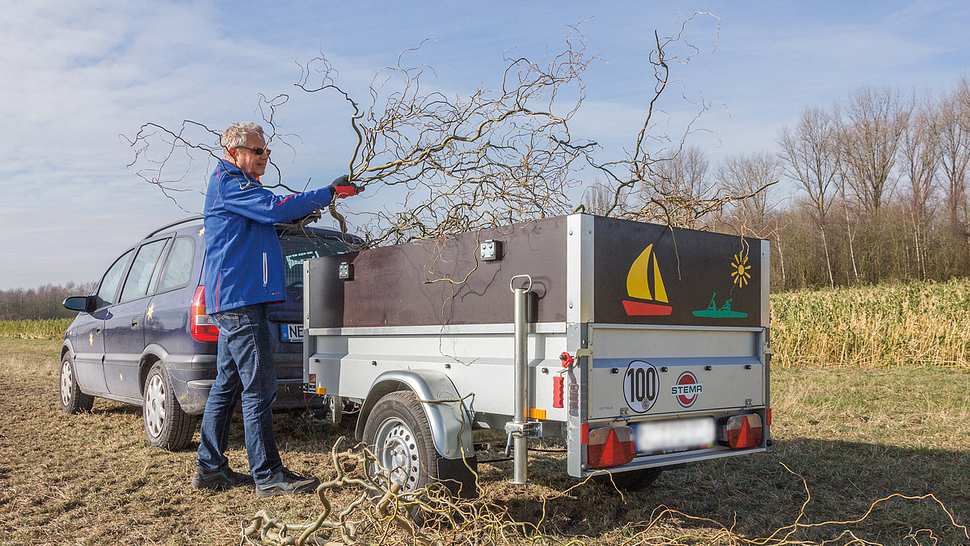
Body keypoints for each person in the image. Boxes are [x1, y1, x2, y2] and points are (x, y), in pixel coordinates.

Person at [192, 122, 361, 496]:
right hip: (241, 302)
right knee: (260, 387)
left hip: (239, 299)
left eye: (266, 150)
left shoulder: (241, 187)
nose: (264, 156)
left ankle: (210, 467)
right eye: (257, 151)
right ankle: (268, 475)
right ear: (234, 153)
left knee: (229, 384)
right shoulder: (229, 183)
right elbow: (272, 208)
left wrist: (308, 210)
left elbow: (273, 215)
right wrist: (327, 193)